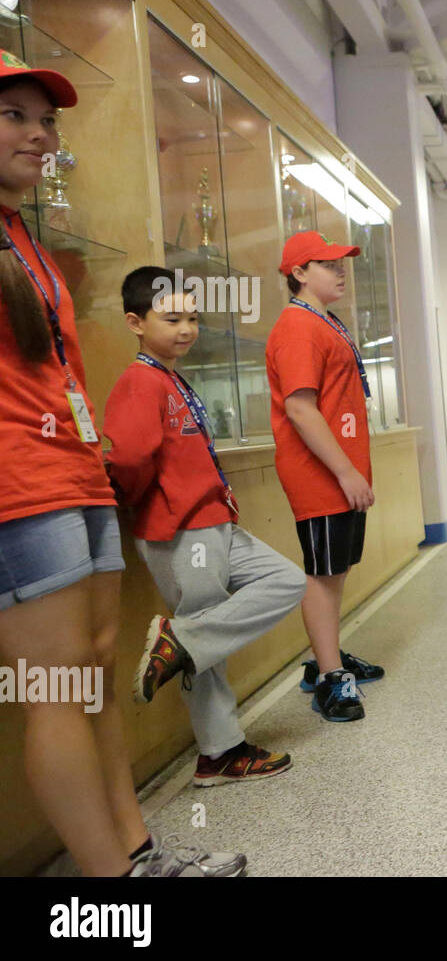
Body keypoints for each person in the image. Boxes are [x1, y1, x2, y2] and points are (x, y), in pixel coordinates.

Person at [0, 52, 243, 875]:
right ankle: (110, 889)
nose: (40, 135)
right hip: (17, 489)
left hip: (74, 472)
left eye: (47, 120)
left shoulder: (20, 232)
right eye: (16, 117)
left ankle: (139, 853)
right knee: (57, 690)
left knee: (95, 676)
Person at [104, 266, 305, 786]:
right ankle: (220, 754)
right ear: (135, 322)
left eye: (192, 317)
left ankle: (185, 641)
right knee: (203, 650)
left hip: (214, 520)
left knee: (285, 581)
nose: (186, 328)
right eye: (171, 318)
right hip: (179, 528)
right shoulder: (138, 381)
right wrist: (138, 502)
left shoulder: (170, 377)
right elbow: (128, 457)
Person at [267, 231, 385, 722]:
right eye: (328, 264)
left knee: (335, 571)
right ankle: (331, 678)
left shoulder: (325, 321)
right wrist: (344, 472)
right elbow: (300, 407)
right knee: (322, 575)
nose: (341, 272)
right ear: (298, 272)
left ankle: (325, 657)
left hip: (340, 473)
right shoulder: (298, 326)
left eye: (343, 264)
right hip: (320, 476)